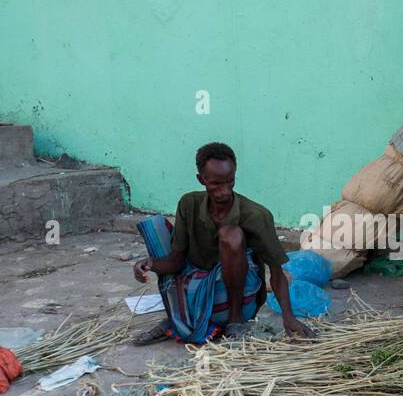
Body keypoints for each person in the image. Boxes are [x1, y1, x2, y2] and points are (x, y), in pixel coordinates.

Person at [133, 142, 316, 344]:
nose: (224, 191)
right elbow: (176, 261)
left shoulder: (256, 215)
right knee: (156, 229)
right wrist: (148, 264)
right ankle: (178, 318)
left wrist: (288, 317)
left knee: (231, 234)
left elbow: (276, 272)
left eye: (230, 182)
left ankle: (234, 322)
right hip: (197, 289)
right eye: (216, 184)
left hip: (234, 298)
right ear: (201, 179)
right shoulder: (189, 204)